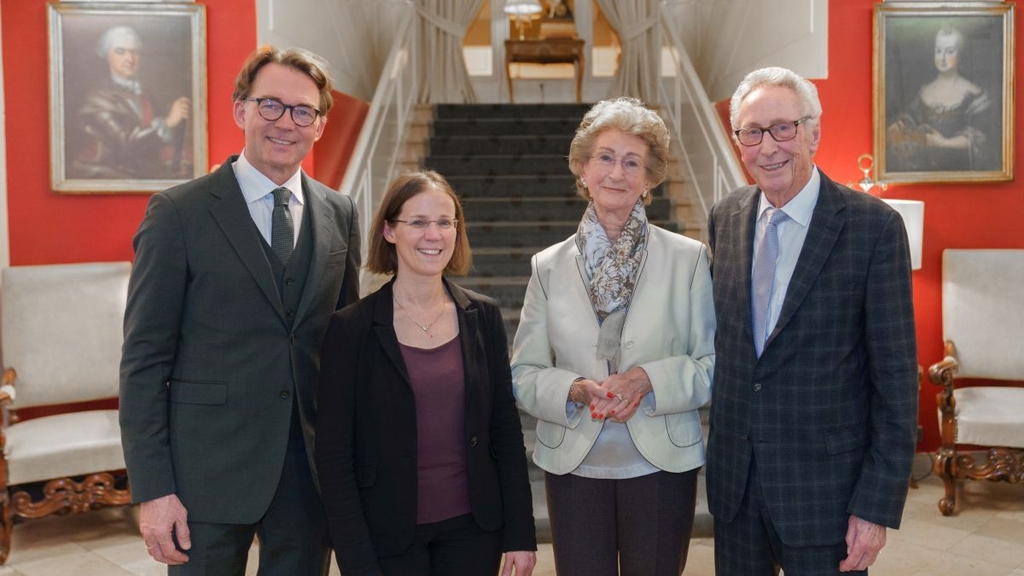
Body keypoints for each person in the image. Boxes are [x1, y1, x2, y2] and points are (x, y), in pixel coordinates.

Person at [119, 45, 361, 575]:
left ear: (319, 125)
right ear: (240, 110)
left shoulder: (340, 213)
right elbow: (143, 362)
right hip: (203, 475)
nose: (286, 123)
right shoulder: (176, 213)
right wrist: (154, 489)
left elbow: (346, 352)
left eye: (304, 111)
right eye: (270, 105)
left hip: (307, 477)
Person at [705, 66, 918, 575]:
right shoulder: (725, 218)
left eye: (784, 127)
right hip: (736, 488)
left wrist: (875, 505)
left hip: (827, 495)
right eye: (751, 133)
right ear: (738, 144)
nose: (768, 146)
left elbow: (896, 382)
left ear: (814, 133)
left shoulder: (874, 228)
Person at [511, 97, 715, 576]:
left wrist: (648, 378)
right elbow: (523, 373)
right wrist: (574, 390)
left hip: (662, 465)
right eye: (604, 157)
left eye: (632, 162)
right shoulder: (547, 266)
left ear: (649, 179)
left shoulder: (688, 259)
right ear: (582, 168)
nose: (616, 173)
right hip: (574, 465)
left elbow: (710, 365)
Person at [315, 170, 537, 576]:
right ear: (389, 231)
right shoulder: (351, 329)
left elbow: (505, 430)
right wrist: (354, 557)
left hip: (475, 531)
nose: (433, 235)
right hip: (387, 535)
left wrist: (521, 533)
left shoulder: (482, 316)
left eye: (444, 222)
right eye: (417, 222)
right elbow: (334, 457)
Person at [72, 25, 192, 179]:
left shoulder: (144, 95)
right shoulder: (97, 100)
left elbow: (160, 143)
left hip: (141, 171)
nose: (129, 59)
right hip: (107, 174)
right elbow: (124, 145)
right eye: (120, 52)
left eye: (134, 52)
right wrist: (168, 122)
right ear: (107, 56)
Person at [886, 25, 996, 172]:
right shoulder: (924, 91)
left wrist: (944, 143)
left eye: (950, 51)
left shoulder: (974, 94)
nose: (942, 58)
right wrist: (898, 128)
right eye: (938, 51)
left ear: (960, 53)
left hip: (961, 170)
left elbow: (981, 139)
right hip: (923, 171)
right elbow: (910, 123)